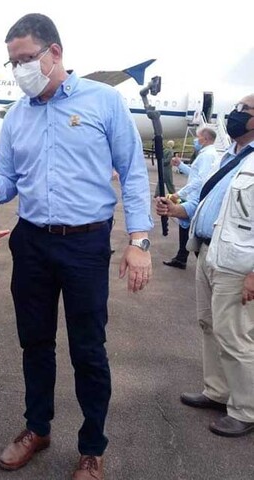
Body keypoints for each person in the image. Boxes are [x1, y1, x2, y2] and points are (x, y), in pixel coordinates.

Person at [0, 13, 153, 480]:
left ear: (55, 53)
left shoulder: (103, 101)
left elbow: (132, 173)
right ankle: (37, 427)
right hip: (32, 242)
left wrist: (139, 240)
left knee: (89, 349)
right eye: (13, 62)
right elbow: (7, 181)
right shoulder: (16, 116)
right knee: (35, 343)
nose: (20, 69)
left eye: (27, 58)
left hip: (86, 243)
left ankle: (92, 447)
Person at [156, 94, 254, 438]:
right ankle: (217, 392)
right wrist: (176, 211)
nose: (235, 115)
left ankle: (245, 409)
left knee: (236, 336)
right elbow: (203, 201)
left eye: (243, 110)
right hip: (208, 253)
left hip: (239, 265)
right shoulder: (228, 156)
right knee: (209, 325)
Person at [163, 127, 219, 269]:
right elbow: (196, 174)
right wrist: (181, 165)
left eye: (198, 137)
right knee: (185, 226)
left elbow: (200, 180)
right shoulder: (206, 154)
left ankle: (201, 264)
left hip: (195, 198)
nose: (195, 140)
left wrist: (178, 194)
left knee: (192, 231)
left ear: (205, 139)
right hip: (193, 197)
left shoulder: (207, 155)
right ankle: (182, 257)